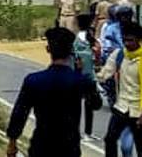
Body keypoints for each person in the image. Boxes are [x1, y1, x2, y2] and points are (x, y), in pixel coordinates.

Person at [6, 27, 102, 156]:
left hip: (41, 145)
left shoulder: (33, 80)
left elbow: (20, 113)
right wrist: (82, 74)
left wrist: (12, 142)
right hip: (69, 147)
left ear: (48, 49)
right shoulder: (80, 81)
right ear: (71, 51)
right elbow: (96, 104)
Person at [98, 22, 142, 157]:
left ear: (138, 40)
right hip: (122, 107)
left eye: (130, 40)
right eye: (124, 40)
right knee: (109, 139)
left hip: (140, 109)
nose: (127, 43)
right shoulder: (119, 54)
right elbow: (104, 74)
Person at [73, 14, 99, 137]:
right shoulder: (89, 38)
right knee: (89, 106)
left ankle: (78, 131)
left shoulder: (77, 38)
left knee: (77, 106)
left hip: (79, 75)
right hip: (88, 76)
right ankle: (88, 132)